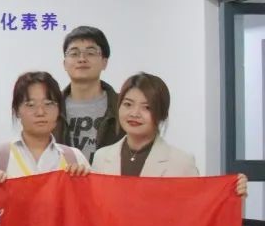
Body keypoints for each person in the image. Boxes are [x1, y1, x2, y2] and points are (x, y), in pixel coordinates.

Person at [92, 73, 249, 198]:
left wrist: (234, 193)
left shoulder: (181, 162)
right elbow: (92, 211)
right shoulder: (101, 157)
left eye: (147, 107)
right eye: (128, 104)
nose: (134, 113)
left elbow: (197, 214)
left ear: (162, 114)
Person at [0, 72, 90, 185]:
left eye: (48, 104)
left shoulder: (75, 158)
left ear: (59, 109)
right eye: (30, 105)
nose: (40, 112)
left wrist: (83, 182)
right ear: (17, 110)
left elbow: (92, 195)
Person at [55, 26, 122, 163]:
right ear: (65, 64)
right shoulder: (51, 107)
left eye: (90, 53)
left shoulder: (123, 106)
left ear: (104, 62)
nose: (82, 59)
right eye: (74, 53)